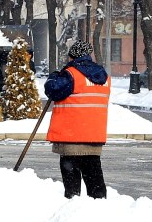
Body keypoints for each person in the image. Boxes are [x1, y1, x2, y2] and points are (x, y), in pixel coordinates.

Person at [43, 39, 110, 199]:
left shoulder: (71, 74)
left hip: (71, 139)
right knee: (96, 185)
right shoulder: (103, 76)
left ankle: (72, 215)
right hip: (94, 138)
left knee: (72, 192)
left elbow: (52, 90)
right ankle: (100, 211)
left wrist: (53, 76)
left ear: (72, 56)